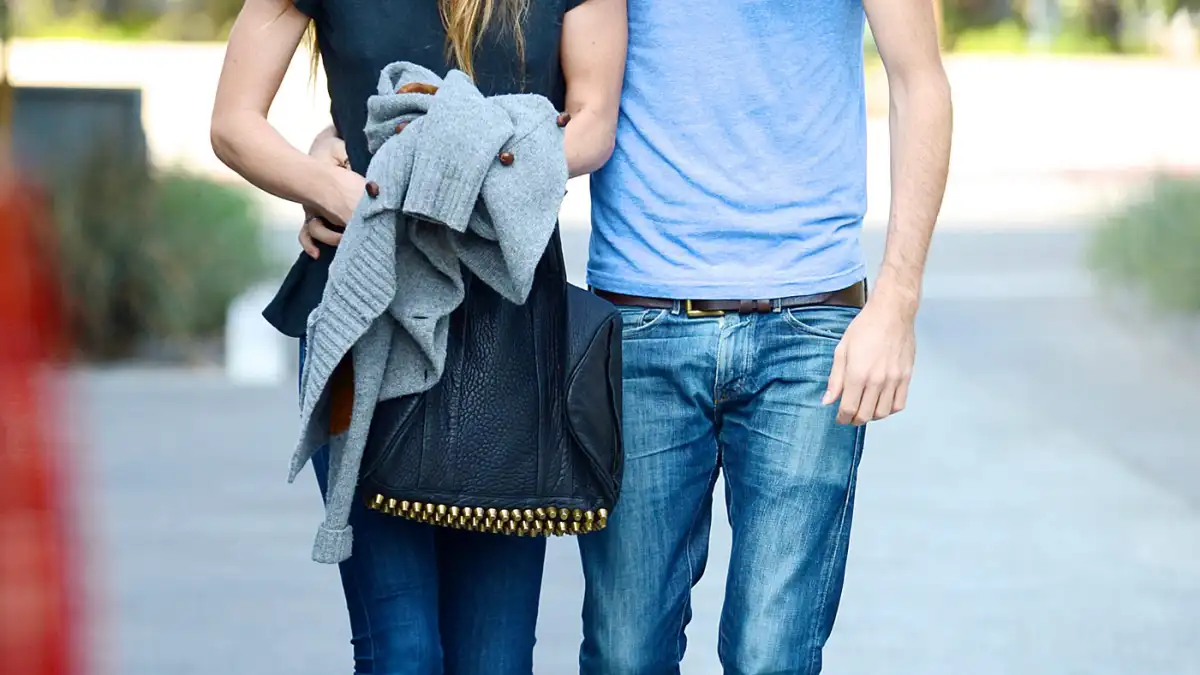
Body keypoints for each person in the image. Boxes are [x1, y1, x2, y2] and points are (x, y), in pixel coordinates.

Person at [209, 0, 626, 672]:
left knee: (496, 658)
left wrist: (450, 178)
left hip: (509, 329)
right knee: (400, 649)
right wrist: (342, 190)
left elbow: (592, 123)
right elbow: (233, 123)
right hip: (359, 318)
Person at [576, 1, 952, 674]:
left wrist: (896, 302)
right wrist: (358, 143)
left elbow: (918, 80)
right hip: (640, 322)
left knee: (770, 656)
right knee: (624, 653)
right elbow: (516, 43)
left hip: (809, 329)